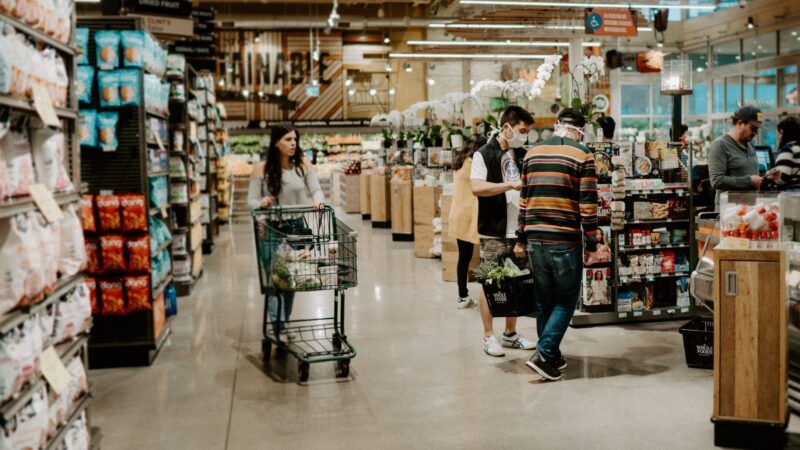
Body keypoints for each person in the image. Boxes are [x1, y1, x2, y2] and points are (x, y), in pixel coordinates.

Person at [514, 108, 599, 381]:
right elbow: (587, 204)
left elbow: (524, 201)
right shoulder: (583, 154)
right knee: (566, 300)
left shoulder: (531, 153)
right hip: (564, 239)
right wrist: (593, 242)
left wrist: (520, 238)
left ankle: (551, 356)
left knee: (544, 300)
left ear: (556, 126)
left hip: (536, 238)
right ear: (581, 130)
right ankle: (544, 351)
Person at [471, 106, 537, 357]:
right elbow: (477, 187)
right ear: (506, 127)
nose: (524, 136)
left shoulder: (523, 154)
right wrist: (508, 184)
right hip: (493, 229)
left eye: (527, 132)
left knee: (516, 282)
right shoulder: (484, 154)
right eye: (521, 130)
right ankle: (488, 336)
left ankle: (510, 333)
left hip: (520, 230)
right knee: (490, 283)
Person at [247, 123, 324, 336]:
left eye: (295, 139)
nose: (293, 144)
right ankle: (279, 326)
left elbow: (317, 191)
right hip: (270, 228)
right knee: (274, 279)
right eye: (288, 140)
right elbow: (250, 201)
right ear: (275, 143)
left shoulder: (303, 165)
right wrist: (260, 203)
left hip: (296, 228)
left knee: (291, 277)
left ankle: (284, 322)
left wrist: (318, 201)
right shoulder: (260, 168)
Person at [448, 135, 487, 309]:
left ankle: (462, 296)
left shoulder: (459, 162)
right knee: (484, 256)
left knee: (463, 258)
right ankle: (489, 296)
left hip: (458, 214)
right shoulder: (474, 165)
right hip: (471, 215)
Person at [708, 106, 763, 207]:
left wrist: (768, 176)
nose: (755, 133)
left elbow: (750, 173)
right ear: (740, 123)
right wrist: (749, 181)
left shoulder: (750, 144)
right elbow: (716, 180)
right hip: (730, 210)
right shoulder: (720, 145)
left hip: (750, 208)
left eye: (757, 129)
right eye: (753, 128)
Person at [767, 116, 800, 190]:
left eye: (780, 133)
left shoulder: (788, 149)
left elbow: (783, 178)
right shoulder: (798, 148)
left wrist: (770, 175)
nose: (778, 137)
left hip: (792, 194)